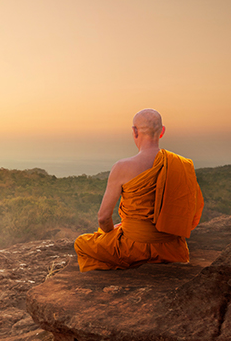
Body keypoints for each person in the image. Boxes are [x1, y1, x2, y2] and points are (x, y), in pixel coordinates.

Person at [74, 109, 204, 272]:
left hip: (132, 249)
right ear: (162, 131)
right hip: (172, 250)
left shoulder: (122, 167)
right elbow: (191, 212)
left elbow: (103, 218)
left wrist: (111, 234)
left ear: (135, 132)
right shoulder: (183, 165)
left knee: (81, 242)